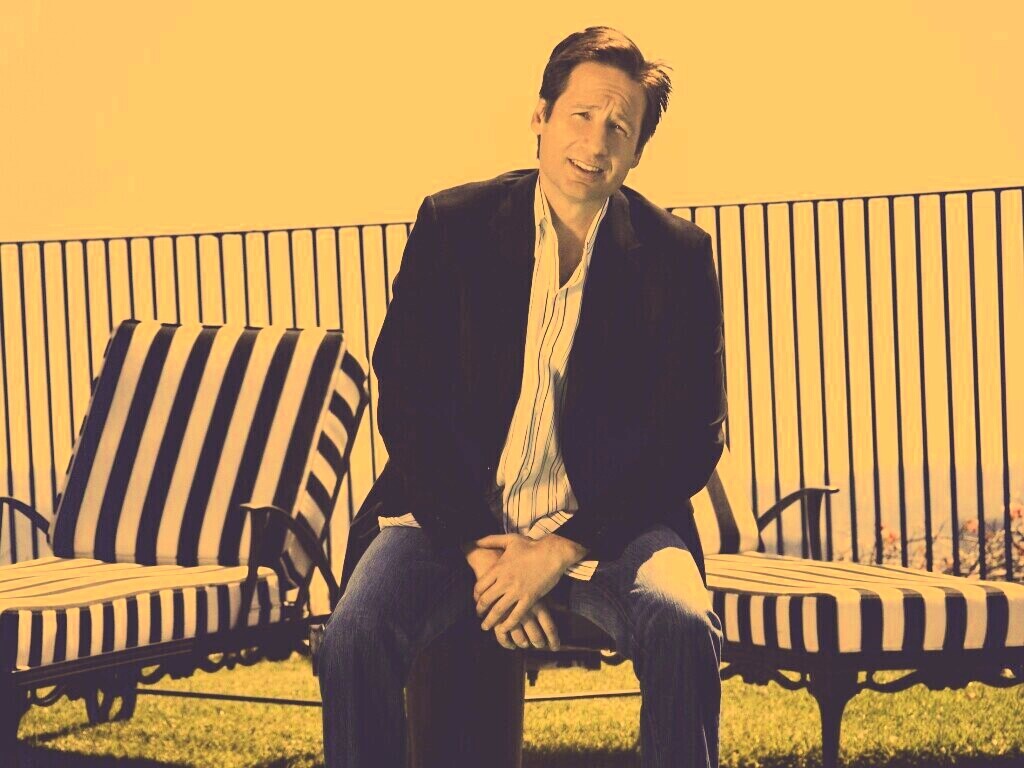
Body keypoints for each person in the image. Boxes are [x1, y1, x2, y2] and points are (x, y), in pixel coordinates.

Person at [319, 25, 727, 768]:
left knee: (681, 619)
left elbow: (691, 439)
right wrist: (486, 556)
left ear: (638, 151)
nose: (595, 142)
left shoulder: (677, 256)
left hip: (609, 531)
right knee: (354, 634)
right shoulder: (453, 226)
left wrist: (559, 550)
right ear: (541, 116)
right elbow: (408, 400)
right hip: (450, 523)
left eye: (619, 128)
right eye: (581, 115)